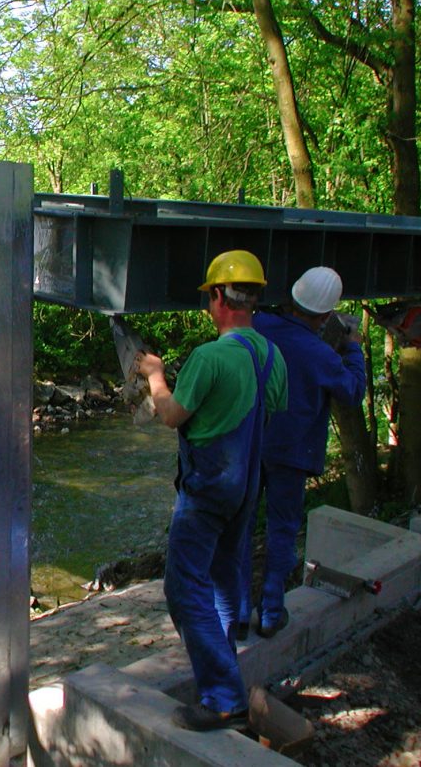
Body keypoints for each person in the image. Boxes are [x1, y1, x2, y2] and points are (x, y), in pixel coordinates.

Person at [137, 249, 287, 731]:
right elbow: (274, 411)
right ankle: (225, 659)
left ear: (219, 296)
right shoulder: (270, 354)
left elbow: (171, 415)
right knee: (224, 580)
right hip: (246, 488)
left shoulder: (209, 357)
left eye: (210, 295)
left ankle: (224, 698)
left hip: (206, 490)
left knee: (183, 588)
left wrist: (154, 376)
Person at [241, 266, 366, 638]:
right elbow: (354, 392)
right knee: (282, 531)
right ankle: (270, 613)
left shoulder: (257, 326)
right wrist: (354, 345)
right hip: (292, 453)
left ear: (292, 296)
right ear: (327, 315)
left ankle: (234, 615)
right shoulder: (322, 355)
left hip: (251, 444)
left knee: (241, 526)